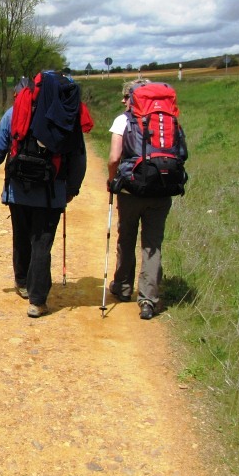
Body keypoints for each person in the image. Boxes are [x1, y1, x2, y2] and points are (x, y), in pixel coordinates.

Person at [0, 78, 86, 318]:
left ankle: (23, 281)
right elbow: (78, 156)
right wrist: (72, 188)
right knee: (41, 244)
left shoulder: (15, 112)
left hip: (18, 190)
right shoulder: (66, 116)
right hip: (50, 194)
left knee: (22, 237)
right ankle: (37, 301)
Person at [106, 78, 171, 320]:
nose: (123, 101)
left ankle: (123, 287)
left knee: (127, 237)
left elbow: (114, 158)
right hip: (162, 189)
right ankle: (148, 300)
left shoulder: (123, 120)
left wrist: (112, 181)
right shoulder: (167, 119)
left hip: (131, 190)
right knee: (152, 244)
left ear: (131, 98)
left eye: (125, 97)